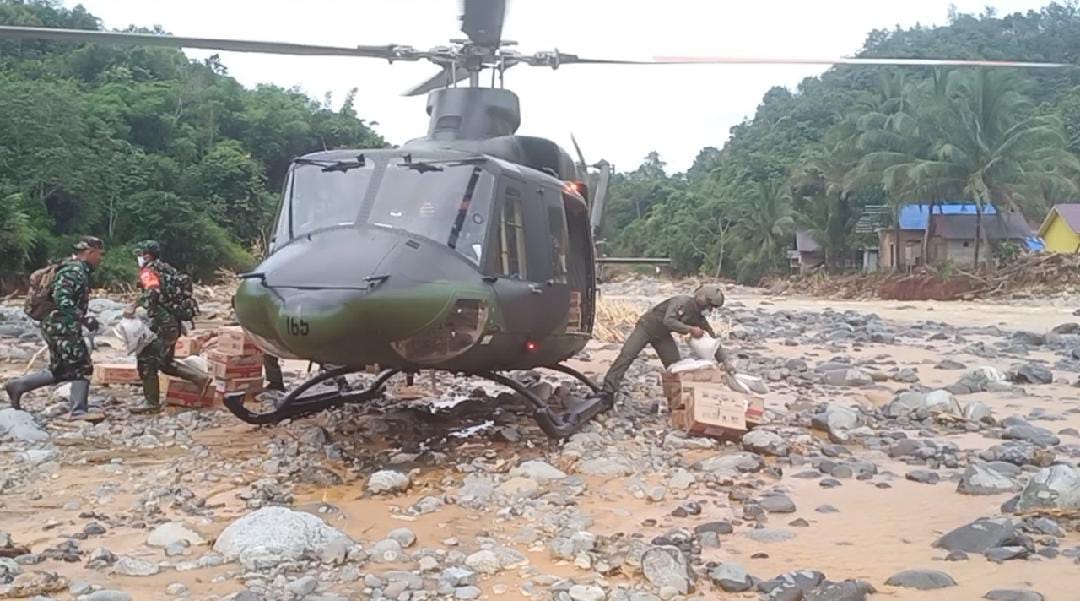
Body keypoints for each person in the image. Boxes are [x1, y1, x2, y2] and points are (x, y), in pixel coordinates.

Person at [5, 236, 105, 420]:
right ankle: (78, 411)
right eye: (99, 254)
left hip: (55, 325)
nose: (100, 259)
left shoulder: (68, 266)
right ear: (89, 252)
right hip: (62, 325)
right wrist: (84, 319)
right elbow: (62, 298)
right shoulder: (74, 271)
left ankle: (19, 385)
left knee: (61, 370)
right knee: (81, 366)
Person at [125, 240, 209, 414]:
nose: (139, 258)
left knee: (146, 358)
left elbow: (153, 290)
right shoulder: (168, 269)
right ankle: (200, 378)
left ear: (146, 256)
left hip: (162, 324)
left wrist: (134, 305)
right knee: (165, 362)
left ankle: (151, 402)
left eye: (140, 255)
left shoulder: (149, 271)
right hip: (174, 323)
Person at [601, 283, 726, 396]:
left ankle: (678, 398)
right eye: (710, 306)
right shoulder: (681, 302)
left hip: (662, 336)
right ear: (702, 299)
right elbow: (669, 321)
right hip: (646, 327)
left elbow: (712, 338)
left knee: (676, 366)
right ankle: (608, 389)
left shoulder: (698, 317)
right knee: (627, 355)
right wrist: (690, 329)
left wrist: (724, 361)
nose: (710, 310)